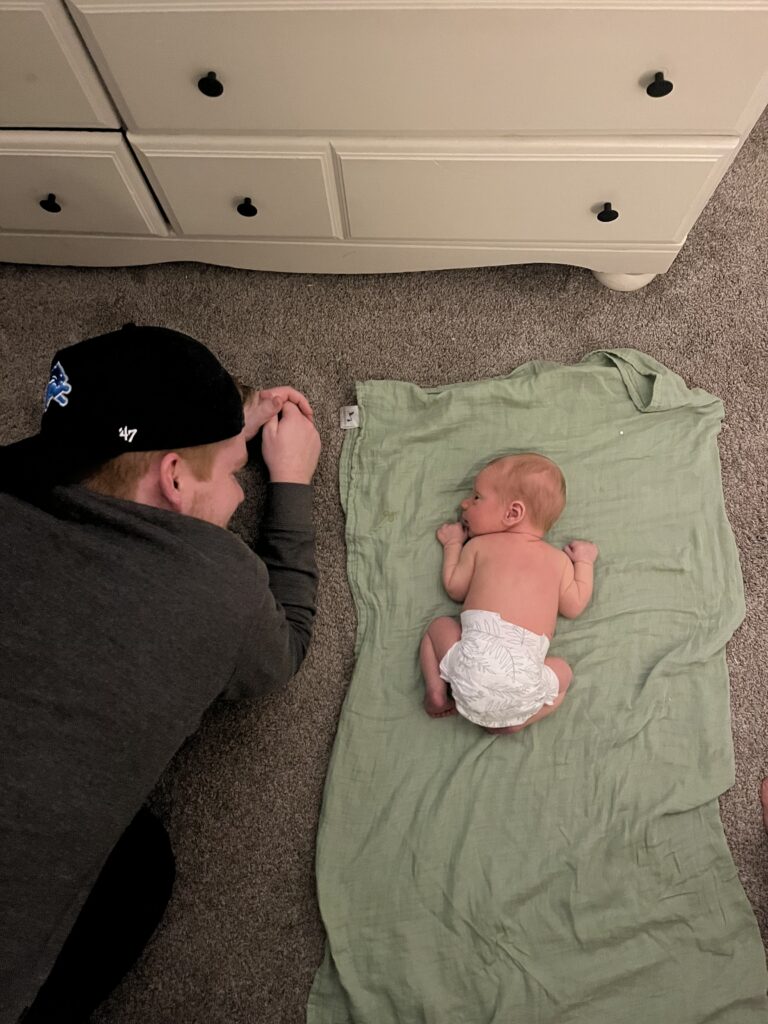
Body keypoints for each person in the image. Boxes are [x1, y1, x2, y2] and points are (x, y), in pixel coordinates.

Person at [0, 324, 321, 1024]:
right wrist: (291, 484)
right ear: (175, 479)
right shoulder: (220, 586)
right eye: (235, 470)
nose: (242, 486)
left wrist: (221, 430)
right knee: (140, 864)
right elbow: (284, 650)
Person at [419, 453, 598, 734]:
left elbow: (455, 588)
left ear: (513, 514)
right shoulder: (559, 562)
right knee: (563, 674)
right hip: (523, 687)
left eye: (476, 497)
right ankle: (517, 722)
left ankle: (436, 692)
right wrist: (585, 563)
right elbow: (574, 606)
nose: (464, 503)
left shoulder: (480, 547)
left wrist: (453, 544)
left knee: (437, 628)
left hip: (471, 671)